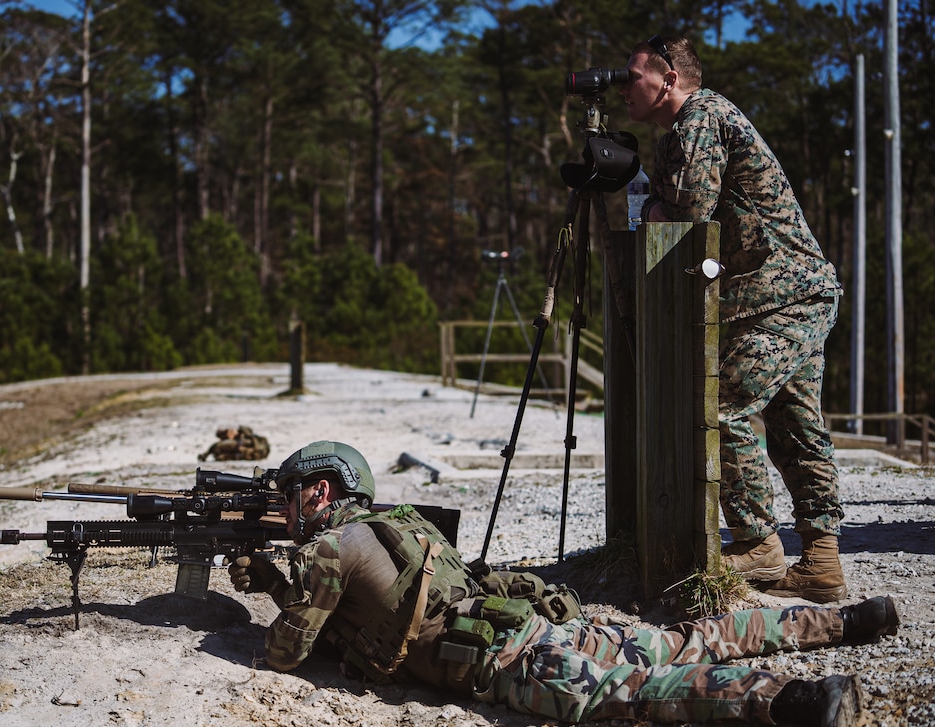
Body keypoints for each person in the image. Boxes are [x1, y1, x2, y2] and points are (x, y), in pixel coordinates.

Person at [229, 440, 900, 726]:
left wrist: (266, 590)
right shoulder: (396, 526)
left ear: (319, 490)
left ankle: (799, 701)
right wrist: (271, 574)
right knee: (682, 639)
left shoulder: (327, 546)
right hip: (532, 626)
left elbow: (287, 652)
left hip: (507, 660)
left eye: (289, 496)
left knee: (635, 694)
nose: (285, 510)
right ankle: (849, 620)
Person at [618, 35, 847, 602]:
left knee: (717, 406)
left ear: (668, 78)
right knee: (796, 424)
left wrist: (646, 208)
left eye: (634, 76)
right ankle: (821, 561)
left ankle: (757, 545)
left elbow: (689, 216)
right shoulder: (694, 124)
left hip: (783, 293)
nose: (625, 89)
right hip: (789, 291)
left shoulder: (700, 118)